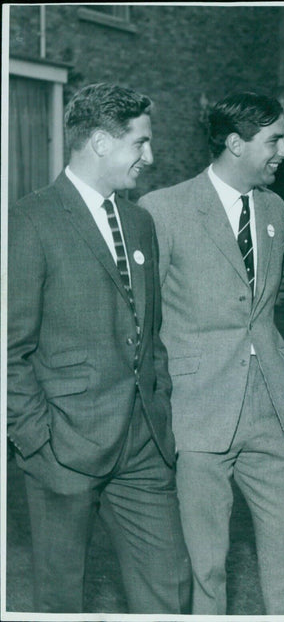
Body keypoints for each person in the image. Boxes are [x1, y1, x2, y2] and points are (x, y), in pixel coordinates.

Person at [7, 82, 191, 613]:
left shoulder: (138, 222)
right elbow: (8, 347)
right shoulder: (29, 219)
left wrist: (160, 408)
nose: (150, 157)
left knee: (169, 588)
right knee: (61, 599)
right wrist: (37, 440)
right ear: (103, 144)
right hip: (63, 447)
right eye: (141, 143)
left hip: (143, 446)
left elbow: (149, 330)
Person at [139, 92, 284, 615]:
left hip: (273, 409)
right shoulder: (162, 208)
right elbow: (143, 321)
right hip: (198, 411)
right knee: (205, 562)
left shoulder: (275, 207)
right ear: (235, 143)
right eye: (275, 139)